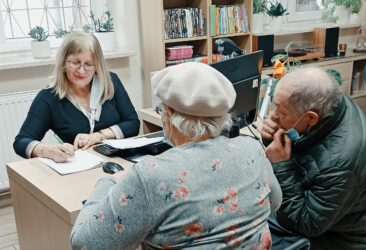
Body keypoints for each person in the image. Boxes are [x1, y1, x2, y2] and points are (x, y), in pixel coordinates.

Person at [70, 62, 282, 249]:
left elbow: (84, 243)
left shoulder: (151, 176)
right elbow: (274, 203)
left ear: (169, 113)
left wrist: (107, 181)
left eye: (161, 110)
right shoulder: (251, 148)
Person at [261, 67, 366, 249]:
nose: (272, 116)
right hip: (337, 213)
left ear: (311, 117)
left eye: (280, 111)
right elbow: (307, 150)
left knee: (251, 228)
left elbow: (306, 224)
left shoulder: (341, 164)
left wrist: (281, 165)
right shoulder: (332, 104)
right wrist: (272, 137)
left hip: (339, 238)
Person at [13, 31, 140, 162]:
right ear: (63, 62)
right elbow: (20, 142)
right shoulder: (49, 97)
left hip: (119, 160)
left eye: (89, 64)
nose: (81, 70)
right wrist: (46, 150)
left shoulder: (110, 82)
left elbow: (133, 124)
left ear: (97, 65)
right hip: (80, 167)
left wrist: (98, 136)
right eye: (75, 62)